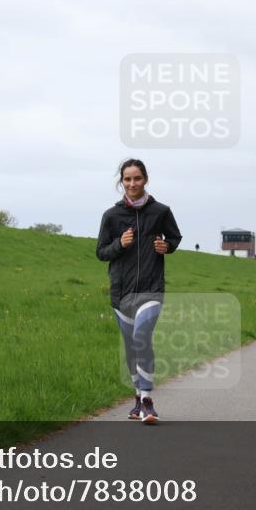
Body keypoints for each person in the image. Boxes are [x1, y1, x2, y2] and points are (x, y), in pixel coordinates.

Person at [96, 159, 182, 424]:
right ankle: (136, 395)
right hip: (122, 292)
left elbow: (174, 237)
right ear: (121, 182)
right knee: (131, 347)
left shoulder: (161, 211)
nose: (132, 183)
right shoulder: (111, 216)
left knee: (141, 337)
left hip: (151, 289)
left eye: (137, 178)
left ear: (145, 179)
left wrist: (167, 247)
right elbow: (101, 252)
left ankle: (147, 400)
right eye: (127, 179)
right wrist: (120, 244)